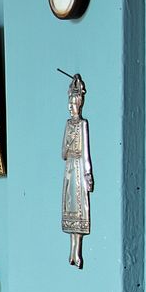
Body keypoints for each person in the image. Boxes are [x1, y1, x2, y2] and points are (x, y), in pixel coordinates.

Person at [61, 75, 94, 266]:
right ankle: (72, 252)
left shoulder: (83, 125)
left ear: (79, 105)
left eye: (73, 105)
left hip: (79, 169)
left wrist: (88, 174)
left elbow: (86, 152)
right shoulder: (68, 125)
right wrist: (68, 147)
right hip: (69, 169)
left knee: (80, 210)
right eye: (70, 104)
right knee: (70, 208)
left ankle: (77, 251)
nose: (71, 108)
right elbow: (63, 152)